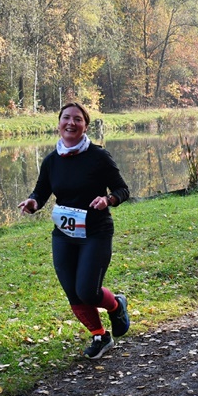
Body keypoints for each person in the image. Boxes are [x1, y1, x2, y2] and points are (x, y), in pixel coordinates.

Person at [18, 102, 131, 360]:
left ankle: (116, 305)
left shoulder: (98, 156)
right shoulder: (51, 160)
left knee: (87, 291)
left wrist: (108, 200)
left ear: (85, 126)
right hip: (64, 234)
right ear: (59, 123)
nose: (71, 123)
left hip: (95, 232)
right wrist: (33, 202)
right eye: (66, 118)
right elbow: (41, 192)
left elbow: (122, 189)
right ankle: (100, 336)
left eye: (78, 119)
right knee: (73, 291)